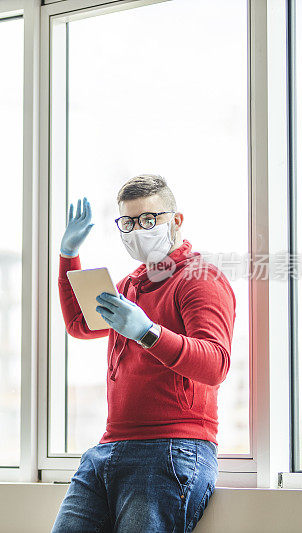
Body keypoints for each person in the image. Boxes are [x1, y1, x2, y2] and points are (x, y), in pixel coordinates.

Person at [51, 174, 236, 533]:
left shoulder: (200, 278)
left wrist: (147, 332)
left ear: (176, 221)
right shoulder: (130, 285)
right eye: (129, 222)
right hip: (108, 448)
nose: (138, 230)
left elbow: (215, 363)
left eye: (149, 220)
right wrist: (68, 255)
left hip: (169, 448)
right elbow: (80, 323)